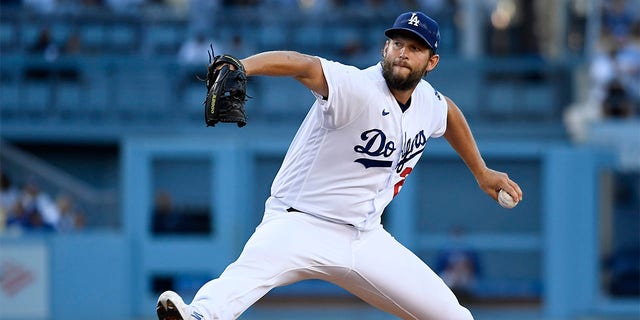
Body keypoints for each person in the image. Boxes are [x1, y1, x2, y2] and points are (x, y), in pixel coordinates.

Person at [156, 11, 523, 320]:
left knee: (455, 316)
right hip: (300, 222)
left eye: (414, 48)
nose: (402, 53)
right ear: (385, 47)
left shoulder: (427, 102)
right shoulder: (357, 86)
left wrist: (480, 170)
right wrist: (243, 67)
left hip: (365, 237)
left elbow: (450, 114)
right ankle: (199, 316)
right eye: (397, 43)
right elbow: (302, 65)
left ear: (432, 62)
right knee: (243, 278)